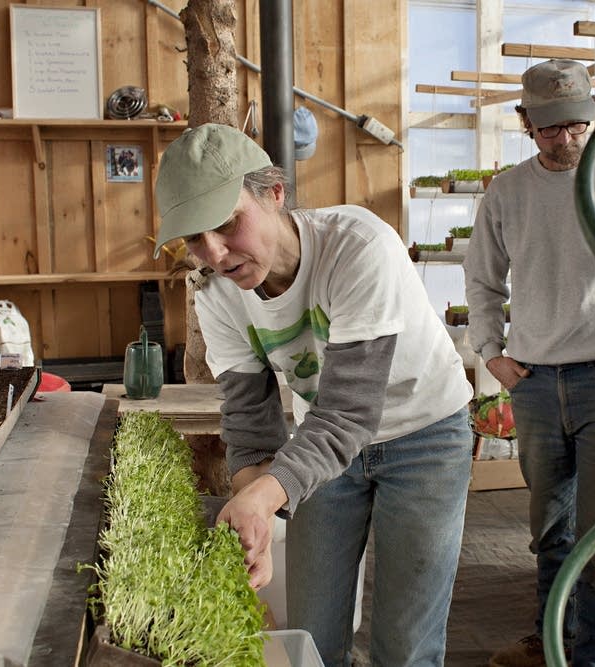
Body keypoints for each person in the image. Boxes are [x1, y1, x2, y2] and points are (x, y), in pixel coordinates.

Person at [153, 123, 474, 667]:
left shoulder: (358, 247)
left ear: (274, 194)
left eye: (228, 223)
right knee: (313, 632)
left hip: (425, 435)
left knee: (406, 642)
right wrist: (254, 521)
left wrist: (261, 499)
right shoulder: (215, 291)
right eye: (193, 239)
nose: (214, 254)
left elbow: (349, 412)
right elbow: (250, 424)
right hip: (320, 448)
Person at [463, 59, 595, 667]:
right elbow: (481, 281)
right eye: (550, 128)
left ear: (593, 116)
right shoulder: (508, 191)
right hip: (533, 386)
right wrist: (492, 355)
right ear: (526, 123)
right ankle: (549, 640)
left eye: (576, 125)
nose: (565, 140)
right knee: (550, 531)